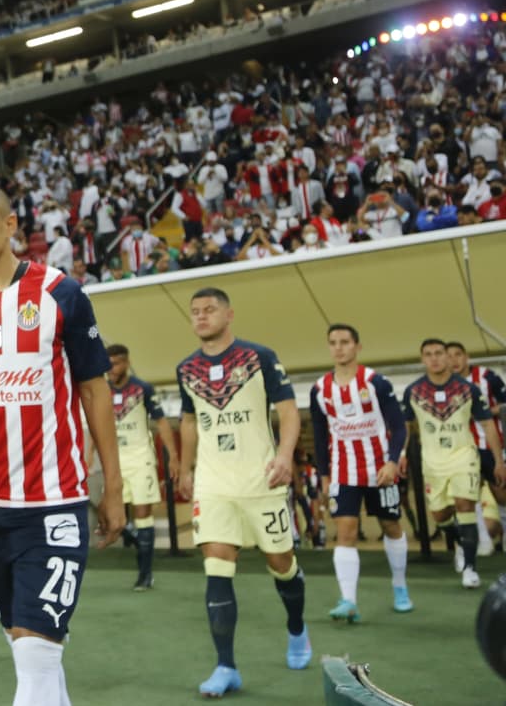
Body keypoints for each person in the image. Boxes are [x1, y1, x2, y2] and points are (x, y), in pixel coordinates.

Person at [0, 174, 124, 706]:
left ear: (10, 225)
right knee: (28, 650)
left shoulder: (60, 293)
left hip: (53, 505)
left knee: (37, 654)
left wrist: (111, 486)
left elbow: (95, 393)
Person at [177, 287, 309, 699]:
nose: (201, 317)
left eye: (209, 310)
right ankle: (226, 666)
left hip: (262, 480)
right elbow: (188, 420)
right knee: (217, 568)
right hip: (214, 484)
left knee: (281, 563)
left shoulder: (260, 358)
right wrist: (185, 467)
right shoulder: (186, 369)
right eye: (195, 312)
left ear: (229, 314)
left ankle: (297, 630)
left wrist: (285, 457)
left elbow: (287, 411)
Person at [308, 324, 412, 621]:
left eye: (344, 342)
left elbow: (400, 426)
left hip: (381, 470)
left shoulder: (377, 383)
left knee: (391, 526)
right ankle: (348, 600)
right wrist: (325, 475)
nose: (338, 348)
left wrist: (393, 461)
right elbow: (319, 435)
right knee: (345, 532)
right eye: (333, 343)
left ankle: (400, 586)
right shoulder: (320, 390)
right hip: (344, 472)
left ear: (357, 347)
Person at [402, 339, 505, 589]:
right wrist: (400, 455)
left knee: (465, 505)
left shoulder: (468, 389)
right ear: (422, 359)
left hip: (464, 457)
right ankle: (462, 542)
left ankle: (470, 569)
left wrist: (499, 461)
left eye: (439, 353)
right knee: (441, 516)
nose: (435, 358)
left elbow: (488, 425)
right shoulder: (413, 392)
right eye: (429, 354)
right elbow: (405, 426)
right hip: (432, 463)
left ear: (448, 358)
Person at [105, 343, 177, 591]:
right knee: (113, 516)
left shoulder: (142, 388)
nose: (112, 369)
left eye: (116, 363)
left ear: (126, 362)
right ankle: (137, 542)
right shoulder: (101, 390)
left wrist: (173, 456)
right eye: (109, 364)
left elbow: (162, 423)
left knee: (143, 515)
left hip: (140, 460)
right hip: (114, 461)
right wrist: (89, 453)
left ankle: (145, 575)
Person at [447, 341, 506, 559]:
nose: (453, 360)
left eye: (457, 355)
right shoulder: (445, 384)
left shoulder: (487, 377)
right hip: (462, 448)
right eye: (449, 356)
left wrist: (484, 412)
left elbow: (504, 404)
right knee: (467, 494)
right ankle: (483, 540)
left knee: (501, 491)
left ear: (466, 357)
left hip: (490, 445)